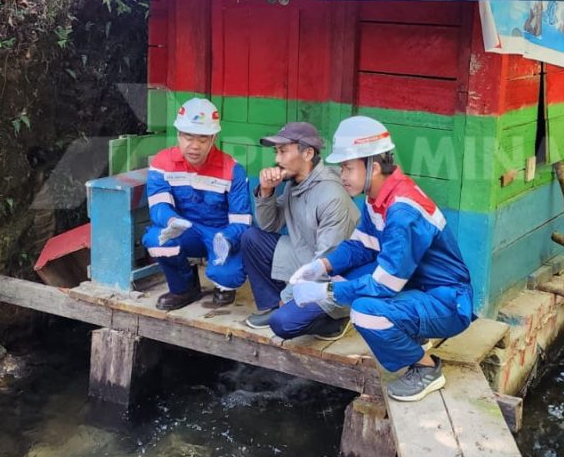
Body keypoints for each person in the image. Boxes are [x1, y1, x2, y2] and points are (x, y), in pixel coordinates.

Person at [289, 115, 474, 401]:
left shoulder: (402, 211)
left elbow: (385, 286)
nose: (342, 175)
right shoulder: (380, 197)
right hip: (420, 288)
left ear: (373, 166)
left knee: (364, 311)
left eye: (348, 167)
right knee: (345, 277)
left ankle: (426, 369)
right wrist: (321, 266)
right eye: (341, 167)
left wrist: (324, 290)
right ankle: (411, 334)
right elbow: (360, 247)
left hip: (447, 301)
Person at [240, 122, 358, 340]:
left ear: (308, 153)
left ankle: (336, 320)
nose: (277, 159)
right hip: (306, 255)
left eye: (283, 151)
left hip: (334, 274)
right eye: (277, 152)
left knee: (283, 323)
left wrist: (289, 295)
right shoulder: (295, 182)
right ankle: (274, 305)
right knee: (251, 238)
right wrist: (266, 191)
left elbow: (328, 261)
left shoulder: (331, 194)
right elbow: (269, 225)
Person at [143, 97, 251, 310]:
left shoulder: (232, 169)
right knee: (157, 240)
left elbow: (242, 221)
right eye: (188, 137)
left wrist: (226, 238)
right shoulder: (162, 163)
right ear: (178, 135)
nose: (194, 146)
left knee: (227, 275)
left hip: (221, 235)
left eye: (202, 139)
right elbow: (158, 206)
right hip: (185, 229)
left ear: (213, 138)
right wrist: (171, 220)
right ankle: (183, 288)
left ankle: (224, 285)